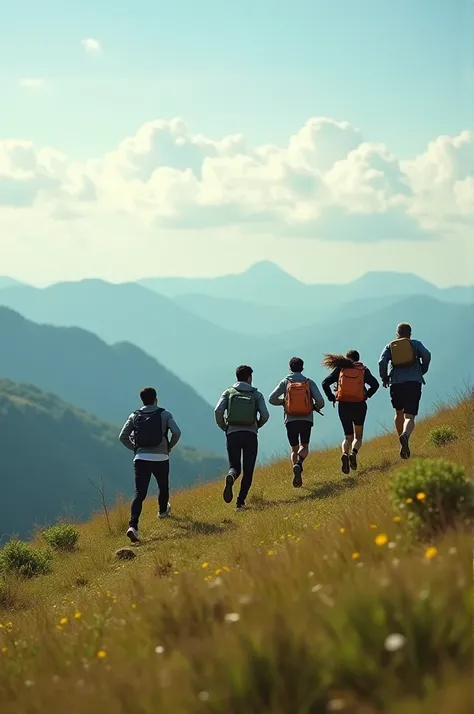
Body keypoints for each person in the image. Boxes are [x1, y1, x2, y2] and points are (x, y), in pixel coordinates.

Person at [119, 386, 181, 543]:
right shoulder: (164, 414)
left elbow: (122, 437)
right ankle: (162, 511)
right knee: (163, 486)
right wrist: (169, 446)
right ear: (156, 399)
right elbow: (177, 432)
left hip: (141, 458)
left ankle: (133, 526)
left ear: (142, 400)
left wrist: (135, 448)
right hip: (161, 457)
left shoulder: (134, 416)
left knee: (139, 493)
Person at [214, 365, 269, 510]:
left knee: (235, 466)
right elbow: (265, 415)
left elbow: (218, 411)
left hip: (233, 434)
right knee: (248, 469)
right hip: (250, 434)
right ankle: (240, 503)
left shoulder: (228, 392)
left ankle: (231, 476)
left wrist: (225, 427)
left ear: (236, 376)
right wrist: (256, 426)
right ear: (249, 378)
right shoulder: (256, 395)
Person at [269, 357, 325, 487]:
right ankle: (299, 463)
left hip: (290, 419)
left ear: (290, 368)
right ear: (302, 367)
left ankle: (295, 467)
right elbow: (321, 402)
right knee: (304, 446)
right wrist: (313, 407)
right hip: (306, 419)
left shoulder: (285, 382)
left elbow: (271, 399)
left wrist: (284, 402)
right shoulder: (308, 382)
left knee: (294, 448)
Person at [379, 323, 431, 459]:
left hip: (396, 383)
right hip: (414, 382)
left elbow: (382, 362)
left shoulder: (390, 346)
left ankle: (401, 442)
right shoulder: (416, 344)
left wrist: (384, 378)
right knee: (410, 416)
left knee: (398, 412)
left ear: (397, 334)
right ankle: (405, 435)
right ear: (410, 333)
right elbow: (427, 355)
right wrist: (422, 369)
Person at [321, 351, 380, 474]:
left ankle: (344, 454)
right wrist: (367, 395)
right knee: (358, 436)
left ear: (346, 359)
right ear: (358, 359)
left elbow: (325, 383)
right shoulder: (363, 370)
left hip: (343, 405)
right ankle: (353, 453)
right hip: (359, 405)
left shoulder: (341, 369)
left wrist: (331, 397)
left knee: (348, 436)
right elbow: (375, 384)